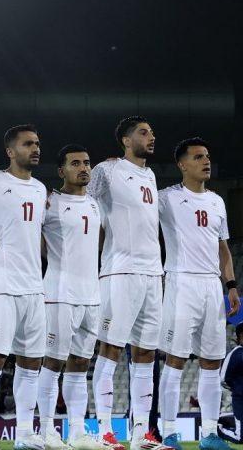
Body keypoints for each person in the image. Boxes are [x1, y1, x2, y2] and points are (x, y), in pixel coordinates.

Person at [88, 116, 168, 450]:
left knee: (146, 355)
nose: (152, 137)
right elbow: (83, 203)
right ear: (125, 139)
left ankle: (141, 434)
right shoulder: (106, 171)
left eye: (152, 132)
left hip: (153, 274)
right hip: (120, 272)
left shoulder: (149, 174)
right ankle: (105, 432)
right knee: (110, 350)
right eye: (144, 132)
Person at [157, 137, 239, 450]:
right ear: (181, 164)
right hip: (181, 282)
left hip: (211, 287)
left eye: (207, 156)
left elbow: (223, 249)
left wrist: (230, 285)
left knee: (211, 363)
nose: (206, 161)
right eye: (198, 157)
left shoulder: (217, 201)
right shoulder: (167, 198)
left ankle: (209, 434)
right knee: (175, 360)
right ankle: (168, 432)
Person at [0, 124, 47, 450]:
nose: (35, 148)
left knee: (31, 364)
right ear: (10, 151)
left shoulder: (42, 189)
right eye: (28, 144)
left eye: (37, 143)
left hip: (34, 286)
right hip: (1, 284)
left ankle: (25, 436)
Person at [36, 145, 108, 450]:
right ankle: (47, 431)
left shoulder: (96, 205)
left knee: (80, 363)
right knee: (52, 362)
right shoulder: (48, 202)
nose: (84, 168)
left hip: (91, 295)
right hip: (59, 294)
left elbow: (100, 242)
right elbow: (29, 236)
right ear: (60, 171)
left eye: (87, 163)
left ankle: (78, 432)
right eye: (75, 163)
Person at [219, 323, 243, 444]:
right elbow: (223, 378)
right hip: (240, 399)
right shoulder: (236, 353)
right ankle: (217, 429)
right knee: (241, 438)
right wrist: (238, 388)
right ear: (241, 336)